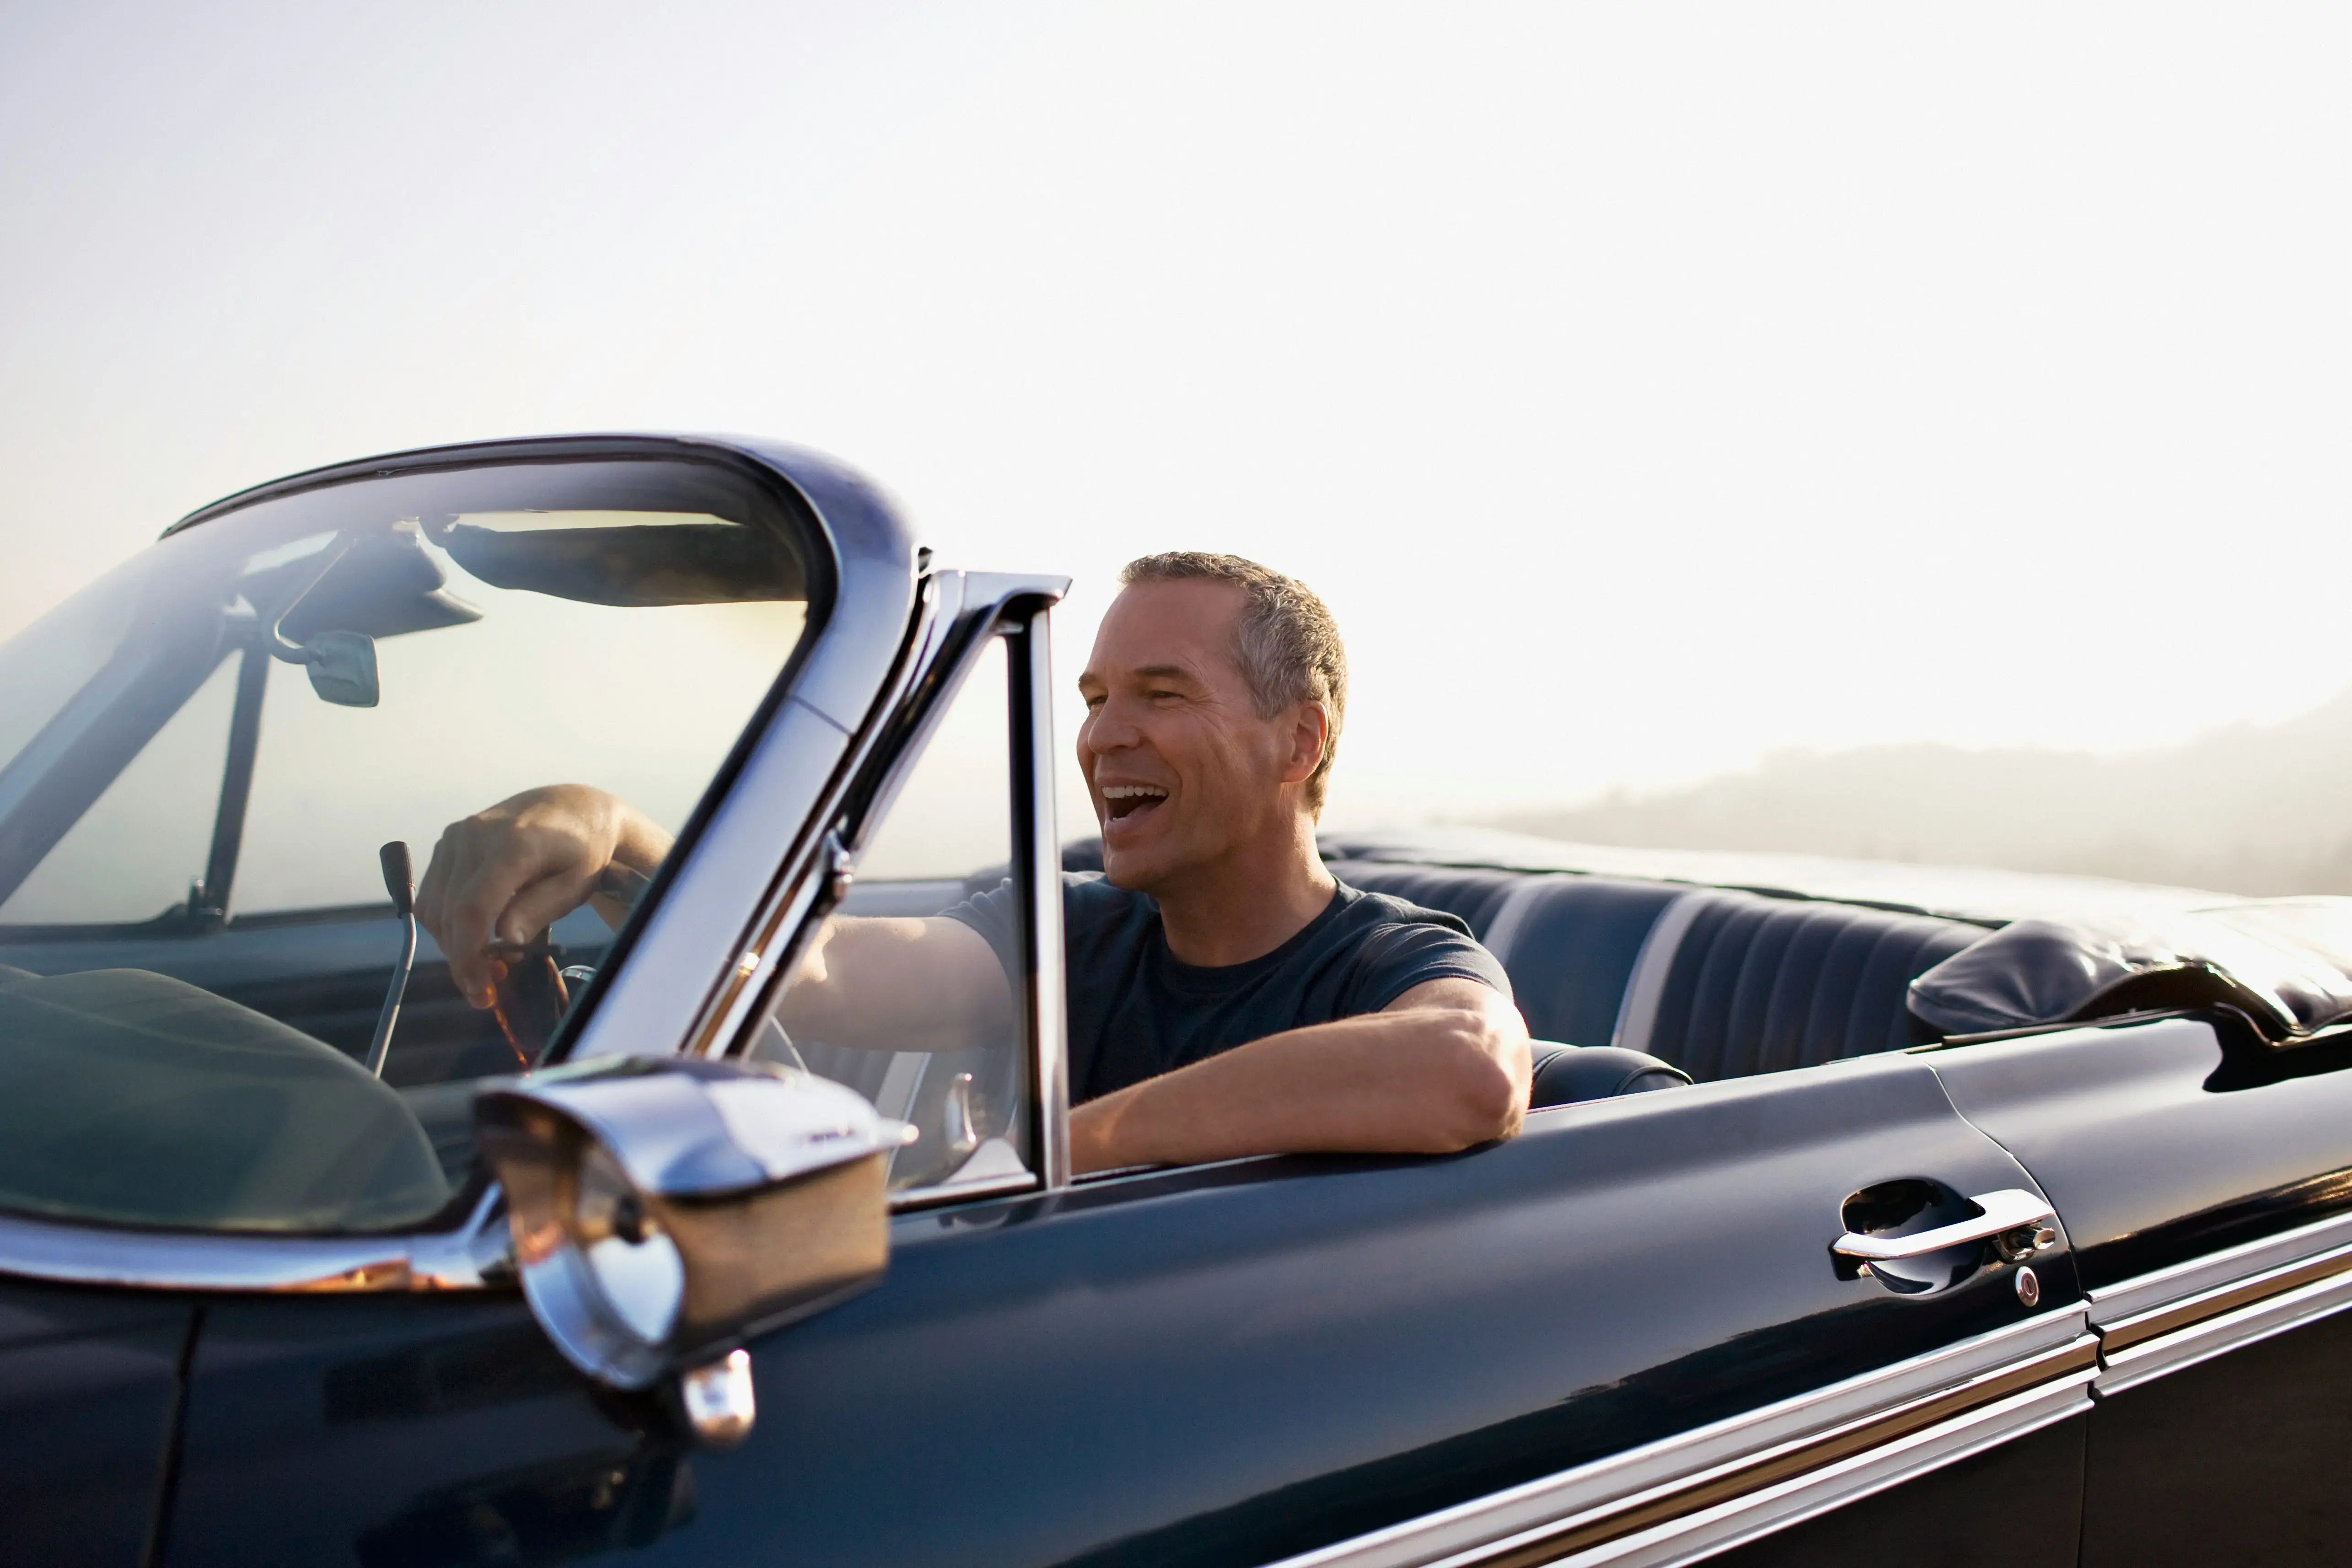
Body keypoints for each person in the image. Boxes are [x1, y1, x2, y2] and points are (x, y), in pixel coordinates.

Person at [417, 552, 1531, 1174]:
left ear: (1301, 741)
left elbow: (1468, 1069)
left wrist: (1057, 1148)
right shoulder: (1068, 930)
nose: (1101, 737)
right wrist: (612, 831)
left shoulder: (1390, 954)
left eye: (1163, 693)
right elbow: (821, 970)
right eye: (1094, 700)